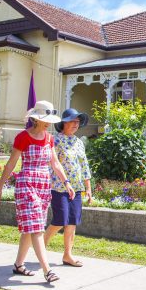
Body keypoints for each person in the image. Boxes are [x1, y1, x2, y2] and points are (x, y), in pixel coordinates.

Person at [0, 100, 75, 283]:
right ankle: (48, 271)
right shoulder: (23, 137)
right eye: (44, 119)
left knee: (30, 228)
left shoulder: (49, 138)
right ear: (36, 119)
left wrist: (66, 183)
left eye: (50, 120)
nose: (48, 123)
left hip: (43, 185)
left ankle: (18, 265)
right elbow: (11, 163)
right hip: (27, 184)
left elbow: (55, 163)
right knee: (37, 227)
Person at [43, 108, 93, 267]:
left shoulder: (79, 142)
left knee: (72, 221)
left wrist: (88, 188)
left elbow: (84, 165)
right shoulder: (54, 140)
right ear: (63, 123)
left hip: (77, 188)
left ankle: (67, 255)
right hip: (58, 187)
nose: (75, 124)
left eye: (78, 122)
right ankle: (40, 247)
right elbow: (51, 164)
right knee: (59, 220)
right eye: (72, 121)